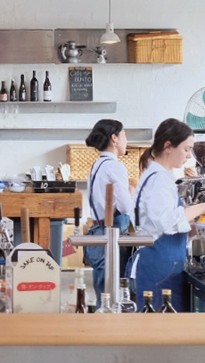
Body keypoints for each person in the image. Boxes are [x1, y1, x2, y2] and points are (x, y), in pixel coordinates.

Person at [126, 119, 205, 312]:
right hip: (159, 266)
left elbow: (164, 226)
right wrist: (202, 207)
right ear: (168, 146)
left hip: (163, 263)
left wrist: (198, 229)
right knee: (159, 330)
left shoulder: (161, 176)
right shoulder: (158, 179)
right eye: (186, 149)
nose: (189, 156)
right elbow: (165, 222)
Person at [83, 119, 135, 309]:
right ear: (114, 138)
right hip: (111, 234)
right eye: (124, 135)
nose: (126, 140)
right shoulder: (115, 166)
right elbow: (125, 207)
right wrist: (132, 191)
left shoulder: (97, 165)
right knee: (112, 297)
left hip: (98, 232)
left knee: (102, 296)